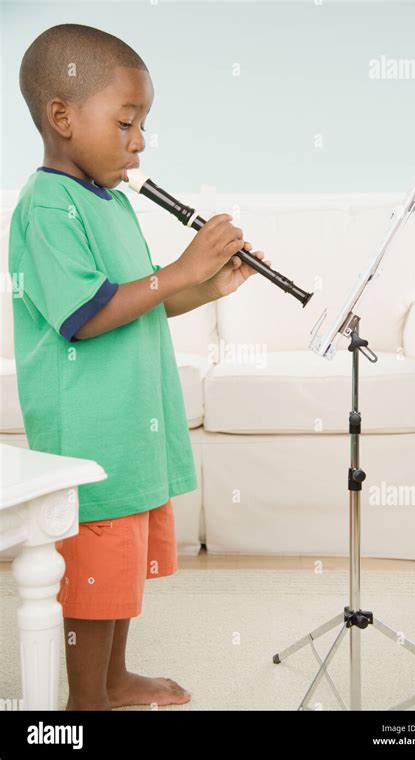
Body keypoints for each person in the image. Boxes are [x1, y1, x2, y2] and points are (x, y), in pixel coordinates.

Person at [9, 23, 271, 711]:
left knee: (118, 572)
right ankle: (83, 702)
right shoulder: (46, 207)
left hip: (130, 426)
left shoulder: (113, 203)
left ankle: (114, 679)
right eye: (127, 122)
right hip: (89, 433)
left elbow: (141, 301)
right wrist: (181, 267)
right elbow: (87, 313)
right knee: (92, 577)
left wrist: (207, 285)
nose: (140, 141)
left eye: (143, 124)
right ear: (61, 118)